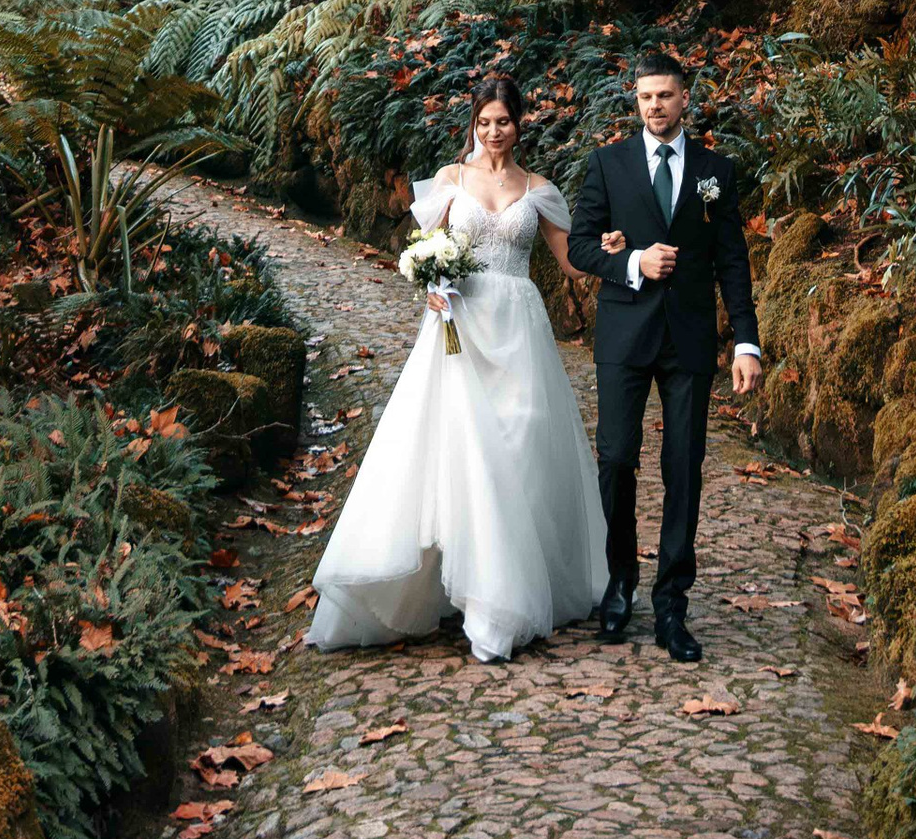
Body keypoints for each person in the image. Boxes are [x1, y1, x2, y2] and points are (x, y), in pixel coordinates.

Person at [307, 72, 610, 668]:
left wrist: (612, 252)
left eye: (504, 121)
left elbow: (571, 262)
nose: (494, 132)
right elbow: (425, 253)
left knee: (520, 440)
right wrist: (429, 287)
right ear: (473, 125)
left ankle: (510, 589)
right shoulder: (449, 183)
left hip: (519, 325)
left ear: (520, 125)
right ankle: (472, 595)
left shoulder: (540, 189)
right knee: (462, 447)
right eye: (484, 122)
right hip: (461, 325)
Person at [567, 49, 761, 662]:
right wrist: (631, 263)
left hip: (690, 338)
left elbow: (733, 259)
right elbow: (578, 246)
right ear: (636, 101)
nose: (656, 105)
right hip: (625, 335)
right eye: (646, 96)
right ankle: (619, 583)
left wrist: (746, 342)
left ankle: (673, 603)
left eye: (666, 95)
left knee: (684, 468)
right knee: (616, 461)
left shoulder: (716, 171)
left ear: (685, 100)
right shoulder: (607, 165)